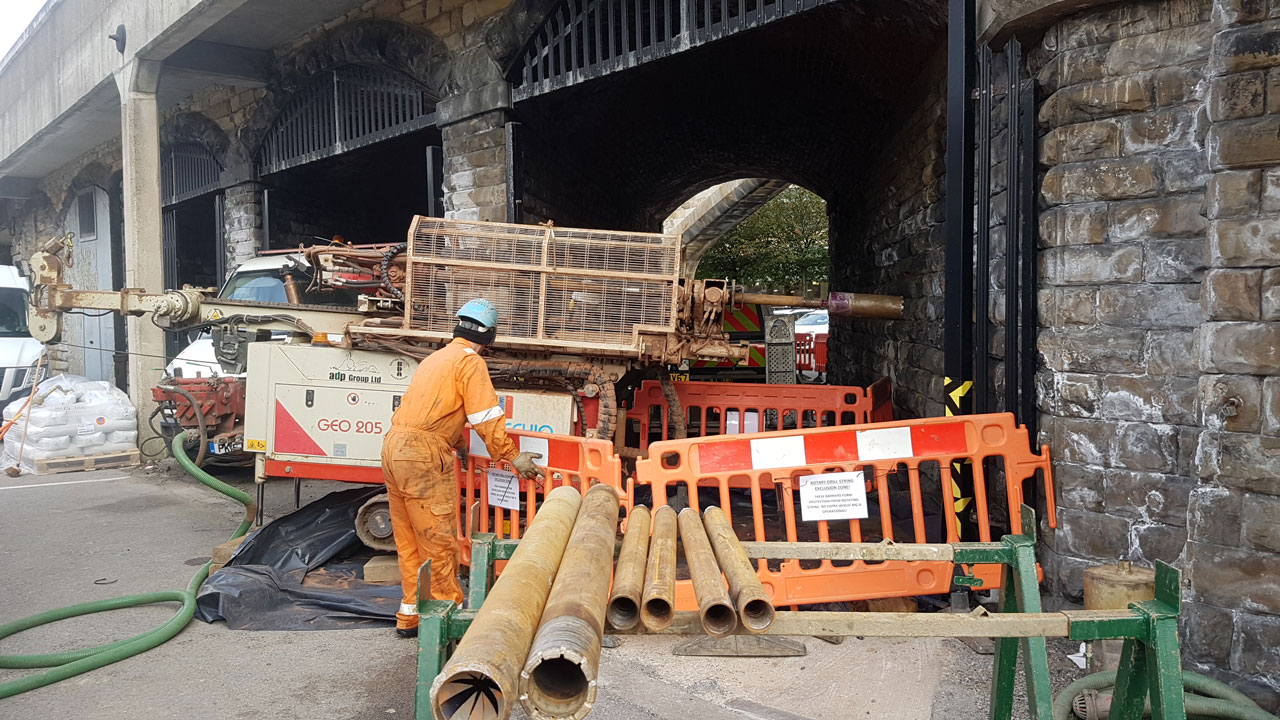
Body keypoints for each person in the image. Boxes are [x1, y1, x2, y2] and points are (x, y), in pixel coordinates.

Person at [380, 298, 545, 637]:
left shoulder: (437, 358)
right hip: (423, 454)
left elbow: (434, 408)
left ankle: (410, 616)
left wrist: (456, 443)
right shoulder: (470, 363)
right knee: (438, 539)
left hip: (395, 447)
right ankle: (449, 618)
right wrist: (513, 456)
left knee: (409, 538)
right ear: (490, 336)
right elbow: (485, 415)